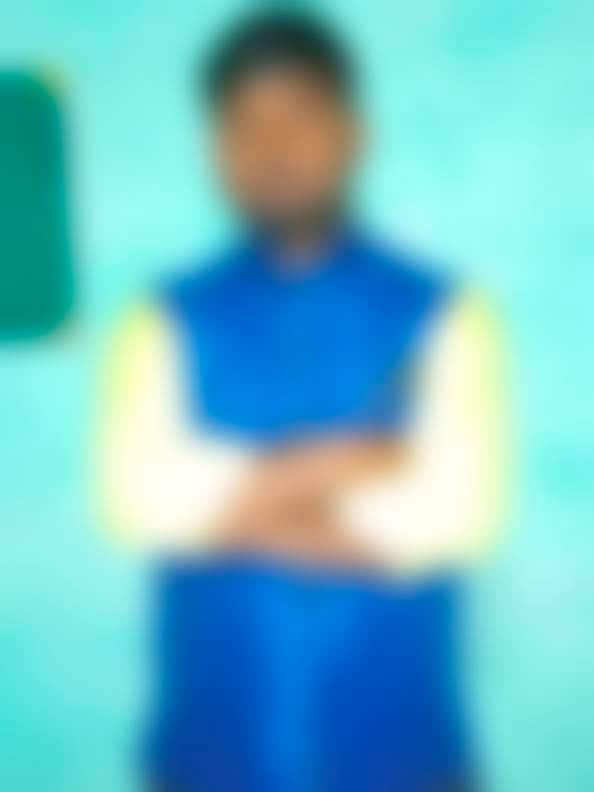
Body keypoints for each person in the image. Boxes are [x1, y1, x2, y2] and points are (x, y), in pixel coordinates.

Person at [97, 10, 508, 791]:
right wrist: (347, 461)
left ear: (354, 133)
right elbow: (140, 505)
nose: (274, 148)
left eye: (300, 116)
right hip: (207, 759)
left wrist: (223, 505)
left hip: (405, 761)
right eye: (246, 125)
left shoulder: (442, 314)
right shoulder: (163, 320)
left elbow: (458, 514)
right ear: (216, 152)